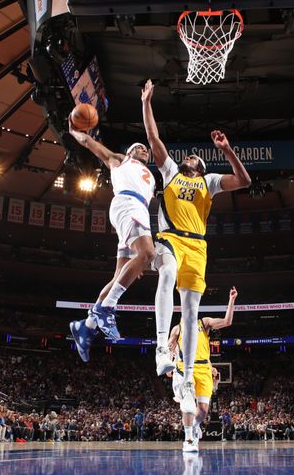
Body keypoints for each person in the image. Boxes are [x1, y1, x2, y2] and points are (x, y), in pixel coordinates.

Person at [141, 79, 251, 417]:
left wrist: (227, 150)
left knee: (190, 314)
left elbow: (244, 181)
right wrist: (146, 103)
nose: (190, 156)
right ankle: (162, 347)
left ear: (201, 167)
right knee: (167, 271)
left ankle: (187, 379)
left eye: (195, 157)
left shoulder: (209, 181)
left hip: (198, 247)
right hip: (171, 237)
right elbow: (154, 140)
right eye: (188, 155)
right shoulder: (171, 171)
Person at [68, 123, 156, 362]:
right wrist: (75, 132)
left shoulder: (150, 178)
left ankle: (85, 327)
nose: (144, 150)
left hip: (138, 210)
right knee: (148, 253)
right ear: (128, 152)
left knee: (121, 274)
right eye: (139, 147)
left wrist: (136, 262)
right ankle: (106, 307)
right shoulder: (119, 160)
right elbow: (90, 144)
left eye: (146, 149)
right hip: (127, 204)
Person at [167, 286, 237, 452]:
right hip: (185, 368)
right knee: (188, 404)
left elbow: (227, 322)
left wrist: (231, 300)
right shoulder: (177, 328)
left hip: (204, 367)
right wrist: (169, 364)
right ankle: (188, 439)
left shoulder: (204, 323)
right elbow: (170, 347)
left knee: (203, 411)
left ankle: (196, 425)